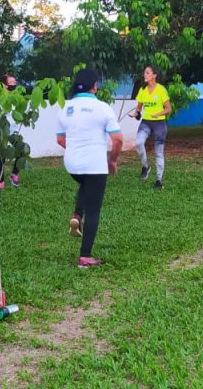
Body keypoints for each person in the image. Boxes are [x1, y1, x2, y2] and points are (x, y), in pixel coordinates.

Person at [56, 68, 123, 268]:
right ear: (94, 86)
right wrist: (112, 161)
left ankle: (77, 214)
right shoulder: (102, 108)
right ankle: (85, 256)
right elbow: (118, 139)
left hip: (72, 164)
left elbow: (60, 140)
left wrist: (77, 148)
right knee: (93, 210)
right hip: (95, 164)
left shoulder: (65, 108)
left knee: (85, 185)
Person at [130, 65, 171, 189]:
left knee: (159, 152)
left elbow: (168, 109)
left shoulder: (161, 90)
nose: (145, 75)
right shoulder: (142, 90)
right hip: (146, 122)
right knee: (138, 143)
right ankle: (145, 166)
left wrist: (158, 114)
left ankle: (159, 181)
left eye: (147, 73)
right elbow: (138, 109)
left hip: (159, 124)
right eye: (144, 73)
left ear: (154, 75)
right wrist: (135, 114)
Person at [0, 73, 24, 188]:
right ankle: (0, 181)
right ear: (4, 85)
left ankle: (14, 174)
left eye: (15, 82)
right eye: (11, 83)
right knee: (1, 157)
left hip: (13, 132)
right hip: (2, 131)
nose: (14, 85)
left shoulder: (16, 98)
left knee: (21, 151)